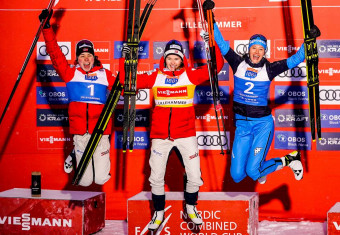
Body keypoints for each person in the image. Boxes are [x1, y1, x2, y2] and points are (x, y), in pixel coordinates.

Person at [120, 38, 224, 230]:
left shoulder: (190, 76)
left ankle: (191, 207)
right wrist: (126, 59)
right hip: (161, 136)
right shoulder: (155, 76)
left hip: (186, 134)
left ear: (182, 59)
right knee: (156, 178)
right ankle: (158, 212)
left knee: (194, 176)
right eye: (169, 58)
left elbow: (216, 66)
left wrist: (213, 43)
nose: (172, 62)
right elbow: (126, 81)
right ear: (165, 59)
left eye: (176, 58)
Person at [203, 4, 313, 184]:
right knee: (237, 176)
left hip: (262, 125)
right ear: (249, 49)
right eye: (254, 48)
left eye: (261, 49)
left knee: (253, 172)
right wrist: (210, 17)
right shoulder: (237, 63)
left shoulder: (270, 69)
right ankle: (262, 168)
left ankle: (290, 160)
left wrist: (309, 41)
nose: (257, 52)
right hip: (242, 126)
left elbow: (296, 59)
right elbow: (221, 43)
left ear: (264, 52)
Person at [39, 9, 118, 187]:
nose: (86, 59)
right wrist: (46, 28)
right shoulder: (70, 73)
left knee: (101, 179)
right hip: (81, 132)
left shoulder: (104, 74)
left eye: (89, 55)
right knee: (85, 181)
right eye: (82, 56)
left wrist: (128, 59)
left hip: (101, 131)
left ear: (94, 57)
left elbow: (125, 85)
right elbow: (55, 54)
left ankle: (78, 154)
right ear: (77, 59)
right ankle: (76, 152)